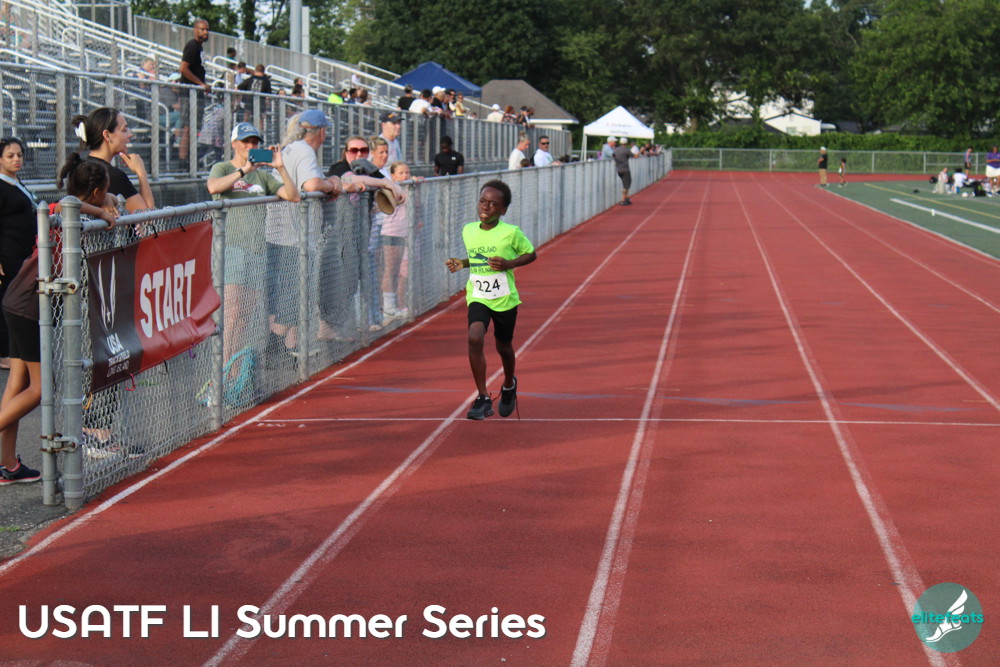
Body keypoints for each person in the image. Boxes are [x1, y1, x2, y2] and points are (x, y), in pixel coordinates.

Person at [2, 155, 116, 485]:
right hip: (27, 303)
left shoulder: (75, 213)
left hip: (22, 300)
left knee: (18, 384)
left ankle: (7, 464)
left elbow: (79, 202)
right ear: (96, 192)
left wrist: (106, 201)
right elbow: (67, 203)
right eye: (105, 192)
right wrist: (102, 212)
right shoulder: (65, 211)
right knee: (40, 389)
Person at [207, 122, 299, 363]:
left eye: (254, 142)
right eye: (246, 141)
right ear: (234, 144)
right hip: (231, 248)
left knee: (244, 317)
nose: (250, 146)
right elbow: (213, 187)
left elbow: (293, 195)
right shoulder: (222, 167)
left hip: (257, 250)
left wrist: (280, 167)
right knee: (232, 313)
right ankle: (222, 370)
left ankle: (234, 369)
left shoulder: (263, 175)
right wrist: (243, 171)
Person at [445, 180, 537, 420]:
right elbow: (478, 258)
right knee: (475, 337)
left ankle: (508, 384)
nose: (485, 207)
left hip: (504, 298)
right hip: (478, 295)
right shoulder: (468, 230)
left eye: (493, 204)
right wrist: (462, 263)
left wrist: (509, 264)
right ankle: (483, 397)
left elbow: (531, 254)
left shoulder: (511, 233)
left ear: (503, 210)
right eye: (482, 201)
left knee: (503, 347)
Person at [266, 110, 348, 351]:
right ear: (321, 132)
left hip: (284, 233)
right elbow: (311, 184)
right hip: (293, 236)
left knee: (292, 297)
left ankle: (292, 348)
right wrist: (331, 184)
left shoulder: (292, 148)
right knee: (291, 297)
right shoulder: (303, 150)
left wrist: (332, 182)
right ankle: (276, 348)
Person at [324, 136, 406, 336]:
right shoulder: (339, 167)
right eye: (354, 150)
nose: (359, 154)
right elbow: (350, 179)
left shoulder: (368, 168)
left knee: (362, 277)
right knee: (341, 281)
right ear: (346, 152)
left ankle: (364, 321)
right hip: (338, 235)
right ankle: (333, 328)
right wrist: (385, 183)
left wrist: (391, 186)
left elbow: (393, 189)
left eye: (363, 150)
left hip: (362, 234)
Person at [0, 138, 38, 371]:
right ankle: (4, 353)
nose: (16, 159)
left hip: (23, 251)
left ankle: (15, 352)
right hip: (8, 253)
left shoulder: (16, 182)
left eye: (19, 155)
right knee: (7, 301)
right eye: (10, 156)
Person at [71, 107, 155, 212]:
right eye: (124, 130)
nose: (130, 135)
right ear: (107, 135)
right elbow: (148, 216)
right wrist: (141, 172)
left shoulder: (81, 167)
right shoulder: (112, 176)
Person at [381, 161, 412, 319]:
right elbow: (402, 199)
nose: (405, 176)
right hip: (391, 232)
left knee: (403, 270)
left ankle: (400, 304)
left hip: (406, 233)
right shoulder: (390, 189)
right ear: (393, 176)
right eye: (401, 173)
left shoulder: (410, 187)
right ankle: (388, 306)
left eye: (407, 172)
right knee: (390, 269)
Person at [177, 18, 211, 161]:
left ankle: (190, 159)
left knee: (194, 127)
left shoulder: (200, 48)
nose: (205, 32)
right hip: (189, 93)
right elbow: (183, 69)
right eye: (202, 29)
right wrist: (200, 84)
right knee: (188, 127)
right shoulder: (192, 46)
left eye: (207, 29)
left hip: (196, 94)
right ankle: (183, 160)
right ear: (195, 30)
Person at [613, 137, 633, 205]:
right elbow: (634, 156)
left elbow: (613, 156)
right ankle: (623, 200)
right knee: (626, 185)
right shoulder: (626, 150)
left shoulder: (616, 150)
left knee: (625, 183)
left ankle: (627, 198)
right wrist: (640, 151)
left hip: (619, 169)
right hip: (625, 169)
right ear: (626, 143)